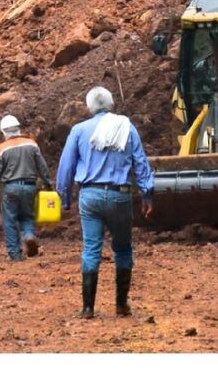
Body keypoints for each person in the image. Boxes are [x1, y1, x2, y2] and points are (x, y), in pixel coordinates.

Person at [56, 86, 154, 319]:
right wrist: (147, 193)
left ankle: (88, 308)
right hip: (120, 196)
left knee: (91, 248)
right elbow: (140, 162)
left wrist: (64, 196)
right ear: (111, 104)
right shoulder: (127, 127)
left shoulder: (79, 130)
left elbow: (66, 166)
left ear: (89, 107)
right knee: (122, 248)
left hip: (90, 196)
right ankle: (121, 305)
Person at [0, 114, 53, 261]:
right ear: (18, 128)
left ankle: (14, 254)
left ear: (3, 132)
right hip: (30, 187)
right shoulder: (31, 143)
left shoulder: (1, 149)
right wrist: (49, 184)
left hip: (11, 188)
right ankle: (29, 235)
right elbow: (42, 166)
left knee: (10, 220)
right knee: (27, 216)